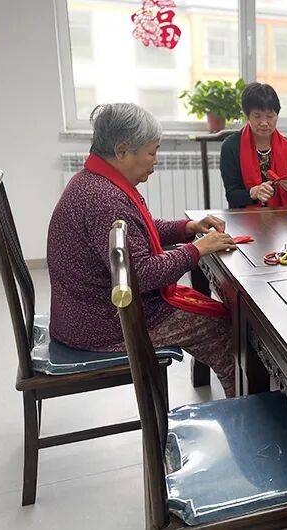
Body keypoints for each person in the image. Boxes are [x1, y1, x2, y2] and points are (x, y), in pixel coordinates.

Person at [47, 103, 237, 397]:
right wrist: (197, 249)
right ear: (122, 151)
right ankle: (245, 410)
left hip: (82, 312)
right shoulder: (104, 200)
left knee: (216, 315)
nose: (155, 161)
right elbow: (143, 274)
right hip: (102, 324)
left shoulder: (95, 181)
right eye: (152, 152)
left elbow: (137, 233)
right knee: (225, 330)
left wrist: (186, 228)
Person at [220, 82, 287, 208]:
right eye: (257, 116)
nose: (264, 123)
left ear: (277, 115)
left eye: (270, 116)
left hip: (281, 215)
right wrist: (253, 192)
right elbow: (232, 196)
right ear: (247, 116)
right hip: (245, 217)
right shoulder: (231, 147)